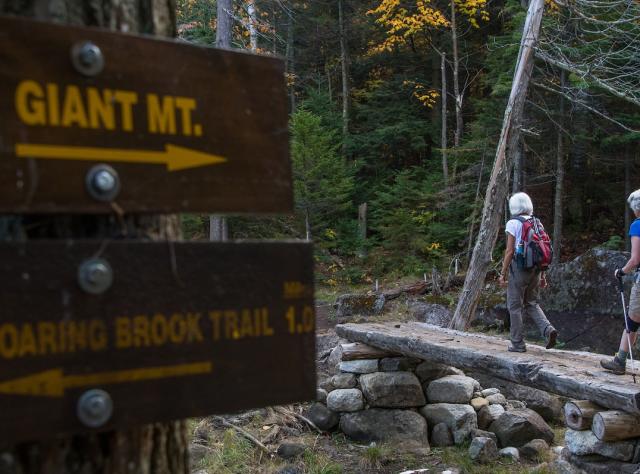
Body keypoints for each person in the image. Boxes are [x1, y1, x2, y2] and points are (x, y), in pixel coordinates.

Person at [498, 192, 557, 352]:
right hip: (536, 269)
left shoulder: (513, 223)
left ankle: (517, 344)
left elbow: (510, 251)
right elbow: (541, 249)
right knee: (531, 302)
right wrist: (543, 275)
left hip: (520, 268)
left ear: (514, 206)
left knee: (514, 306)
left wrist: (503, 273)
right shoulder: (536, 222)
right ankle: (548, 329)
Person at [601, 190, 640, 374]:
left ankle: (620, 361)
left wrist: (621, 272)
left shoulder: (637, 225)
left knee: (632, 320)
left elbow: (635, 259)